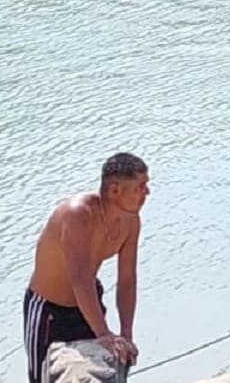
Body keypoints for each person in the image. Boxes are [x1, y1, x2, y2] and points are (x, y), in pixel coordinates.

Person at [25, 154, 149, 383]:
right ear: (115, 190)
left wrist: (126, 334)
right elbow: (79, 279)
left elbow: (127, 279)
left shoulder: (131, 221)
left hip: (88, 305)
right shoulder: (78, 215)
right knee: (41, 378)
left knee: (107, 366)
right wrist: (104, 333)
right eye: (140, 187)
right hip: (49, 310)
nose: (147, 192)